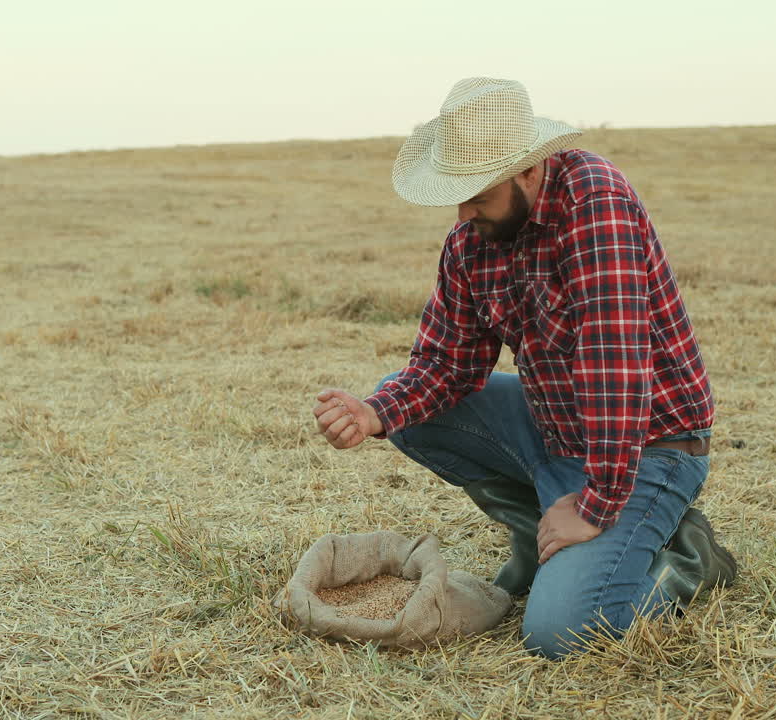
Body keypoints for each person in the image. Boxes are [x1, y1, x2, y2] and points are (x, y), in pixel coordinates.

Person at [311, 77, 737, 660]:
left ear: (527, 173)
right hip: (556, 430)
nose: (462, 212)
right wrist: (372, 414)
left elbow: (616, 371)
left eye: (476, 194)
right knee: (402, 407)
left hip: (649, 446)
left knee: (557, 631)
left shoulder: (594, 201)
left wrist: (595, 506)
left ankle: (686, 561)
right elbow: (446, 362)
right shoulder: (473, 236)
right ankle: (537, 535)